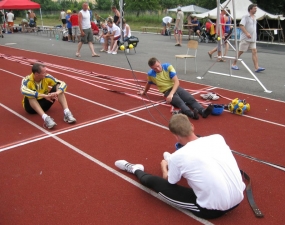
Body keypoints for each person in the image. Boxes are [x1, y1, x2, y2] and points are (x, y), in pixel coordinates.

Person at [115, 113, 245, 219]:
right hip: (239, 200)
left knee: (154, 182)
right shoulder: (217, 138)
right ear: (192, 126)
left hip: (211, 211)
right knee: (197, 167)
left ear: (175, 136)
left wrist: (164, 166)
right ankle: (170, 159)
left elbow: (170, 181)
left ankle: (135, 169)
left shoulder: (179, 156)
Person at [138, 57, 213, 120]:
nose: (157, 69)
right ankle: (192, 114)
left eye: (158, 66)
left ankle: (202, 111)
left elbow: (177, 82)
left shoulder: (168, 67)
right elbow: (149, 83)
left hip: (175, 87)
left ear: (160, 62)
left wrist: (171, 95)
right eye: (155, 68)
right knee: (180, 102)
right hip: (166, 91)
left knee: (190, 99)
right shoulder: (150, 74)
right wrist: (144, 92)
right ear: (151, 68)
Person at [20, 63, 76, 129]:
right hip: (30, 108)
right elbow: (23, 90)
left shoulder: (46, 77)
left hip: (45, 104)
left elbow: (63, 83)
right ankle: (46, 118)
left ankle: (67, 112)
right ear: (36, 74)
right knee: (30, 95)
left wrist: (57, 93)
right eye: (44, 72)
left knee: (58, 86)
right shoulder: (27, 80)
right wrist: (44, 95)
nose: (46, 74)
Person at [231, 4, 265, 73]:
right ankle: (233, 64)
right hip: (245, 38)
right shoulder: (246, 16)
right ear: (250, 9)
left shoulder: (254, 17)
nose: (256, 10)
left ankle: (256, 67)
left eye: (256, 8)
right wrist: (247, 33)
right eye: (254, 8)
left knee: (254, 51)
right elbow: (241, 25)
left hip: (253, 38)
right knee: (241, 51)